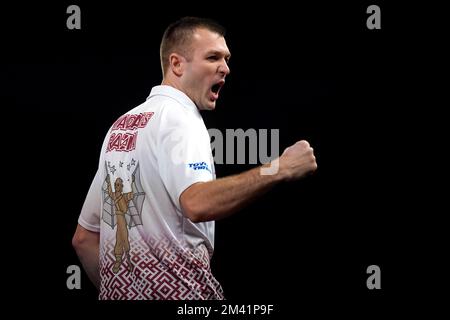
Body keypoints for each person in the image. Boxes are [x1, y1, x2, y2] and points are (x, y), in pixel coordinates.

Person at [72, 16, 317, 300]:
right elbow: (196, 202)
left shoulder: (122, 126)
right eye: (213, 57)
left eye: (226, 58)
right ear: (176, 64)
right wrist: (280, 168)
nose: (225, 68)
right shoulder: (181, 117)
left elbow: (84, 238)